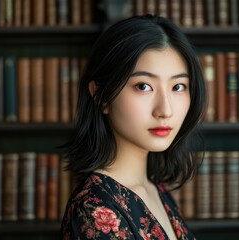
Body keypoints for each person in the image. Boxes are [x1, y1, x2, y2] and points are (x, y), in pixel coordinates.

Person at [60, 14, 205, 240]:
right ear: (101, 96)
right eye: (144, 86)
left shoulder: (153, 187)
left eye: (178, 86)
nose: (165, 110)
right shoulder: (95, 209)